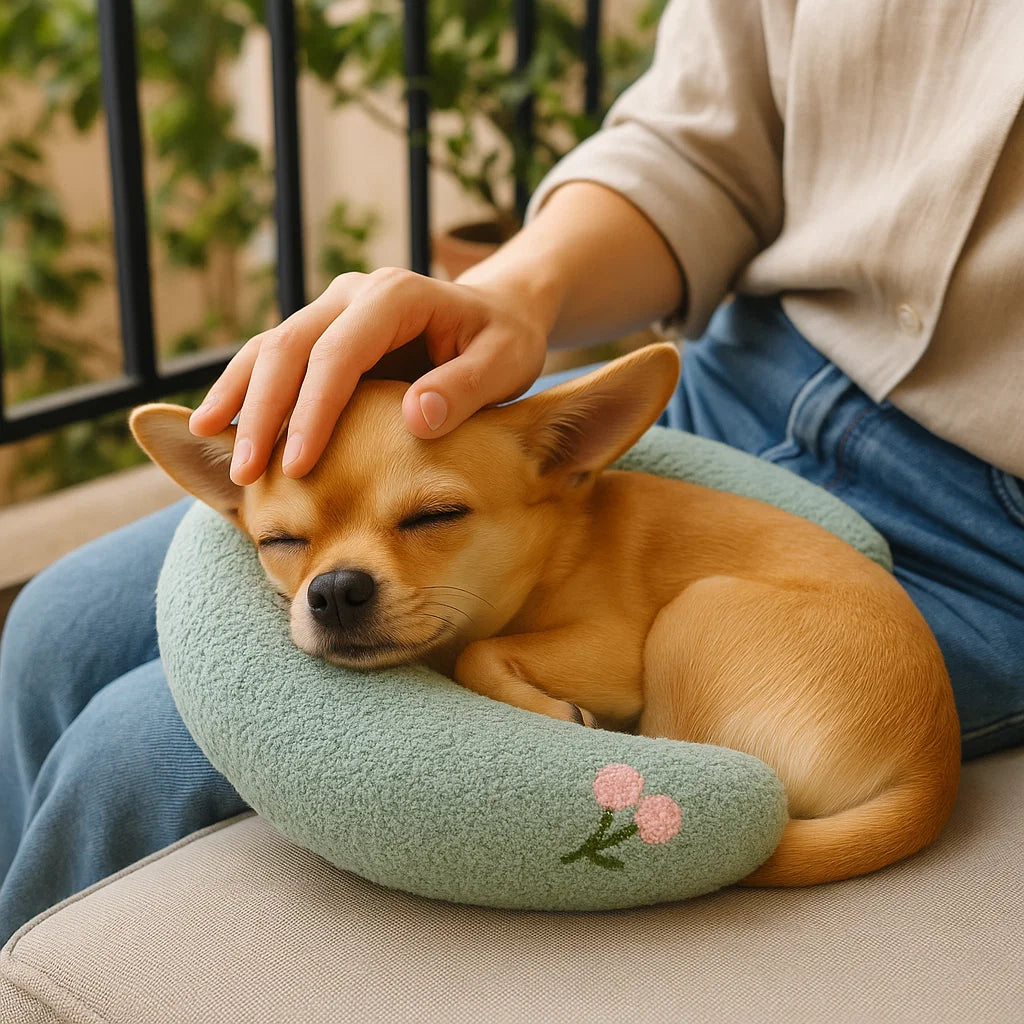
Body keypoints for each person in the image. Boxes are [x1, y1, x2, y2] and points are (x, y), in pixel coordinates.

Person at [2, 0, 1022, 943]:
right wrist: (509, 297)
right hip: (739, 378)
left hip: (981, 542)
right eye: (284, 539)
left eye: (425, 515)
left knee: (135, 750)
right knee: (57, 624)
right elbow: (701, 149)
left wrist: (502, 671)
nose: (336, 573)